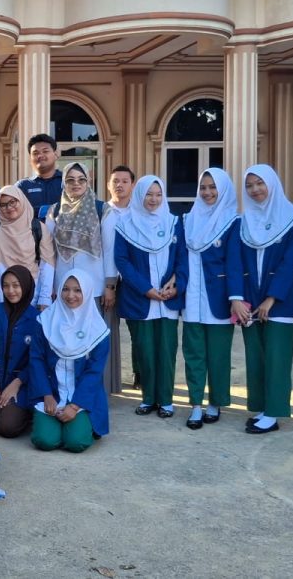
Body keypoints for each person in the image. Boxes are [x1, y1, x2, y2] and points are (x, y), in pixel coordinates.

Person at [237, 165, 293, 435]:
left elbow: (291, 261)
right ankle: (262, 407)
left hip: (280, 301)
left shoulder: (291, 217)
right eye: (250, 185)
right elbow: (238, 260)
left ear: (272, 184)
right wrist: (240, 298)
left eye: (260, 184)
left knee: (277, 357)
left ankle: (274, 413)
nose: (255, 190)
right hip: (251, 299)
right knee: (256, 355)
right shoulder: (244, 220)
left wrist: (272, 298)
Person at [115, 175, 187, 418]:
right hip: (141, 299)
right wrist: (145, 288)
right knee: (144, 350)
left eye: (158, 194)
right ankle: (148, 398)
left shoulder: (174, 222)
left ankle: (166, 400)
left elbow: (182, 257)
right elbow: (122, 261)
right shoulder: (125, 223)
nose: (154, 199)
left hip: (167, 298)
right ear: (139, 195)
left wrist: (176, 283)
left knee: (166, 350)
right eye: (148, 194)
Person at [181, 168, 244, 430]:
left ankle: (215, 402)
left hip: (217, 298)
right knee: (193, 353)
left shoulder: (233, 221)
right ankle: (195, 403)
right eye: (203, 187)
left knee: (218, 355)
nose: (207, 192)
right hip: (191, 296)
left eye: (212, 187)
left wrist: (236, 297)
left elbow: (235, 263)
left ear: (223, 190)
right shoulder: (188, 218)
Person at [28, 269, 110, 452]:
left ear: (87, 292)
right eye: (65, 289)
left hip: (80, 398)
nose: (70, 295)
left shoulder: (98, 330)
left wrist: (74, 406)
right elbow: (36, 359)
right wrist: (46, 394)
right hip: (52, 395)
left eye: (77, 290)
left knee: (76, 443)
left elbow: (94, 372)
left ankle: (79, 422)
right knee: (44, 441)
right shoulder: (45, 321)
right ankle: (55, 425)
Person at [0, 265, 37, 437]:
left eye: (16, 285)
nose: (10, 290)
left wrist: (17, 384)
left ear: (26, 286)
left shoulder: (37, 319)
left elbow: (37, 359)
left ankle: (25, 414)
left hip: (19, 383)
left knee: (8, 427)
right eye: (5, 285)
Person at [0, 185, 54, 309]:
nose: (9, 208)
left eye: (13, 202)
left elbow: (47, 265)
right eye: (3, 205)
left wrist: (44, 298)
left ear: (21, 200)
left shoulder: (38, 228)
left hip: (31, 297)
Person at [46, 163, 106, 303]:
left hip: (95, 283)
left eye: (81, 179)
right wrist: (49, 285)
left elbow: (109, 250)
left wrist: (110, 284)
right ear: (63, 183)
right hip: (63, 283)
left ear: (88, 182)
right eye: (70, 180)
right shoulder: (54, 210)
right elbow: (49, 251)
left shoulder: (102, 209)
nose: (76, 184)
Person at [103, 165, 137, 390]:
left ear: (132, 185)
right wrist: (109, 284)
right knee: (109, 328)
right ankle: (110, 379)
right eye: (115, 181)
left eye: (125, 181)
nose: (120, 185)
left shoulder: (140, 211)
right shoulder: (101, 212)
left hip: (134, 279)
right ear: (108, 185)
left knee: (138, 330)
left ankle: (140, 373)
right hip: (108, 279)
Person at [17, 133, 63, 221]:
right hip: (32, 234)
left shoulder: (68, 182)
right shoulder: (22, 186)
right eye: (35, 153)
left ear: (56, 154)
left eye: (45, 151)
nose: (40, 156)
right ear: (30, 158)